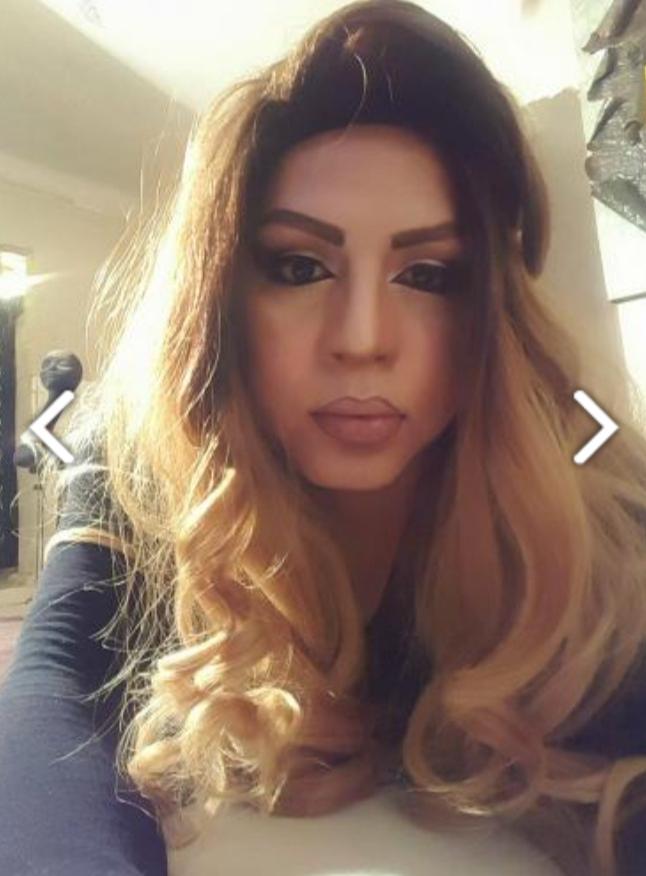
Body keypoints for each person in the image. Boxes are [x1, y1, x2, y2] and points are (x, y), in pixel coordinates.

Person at [2, 1, 646, 874]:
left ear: (489, 310)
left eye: (428, 274)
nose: (362, 338)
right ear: (223, 298)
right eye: (300, 267)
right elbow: (54, 694)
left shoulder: (578, 466)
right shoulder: (139, 450)